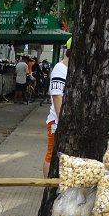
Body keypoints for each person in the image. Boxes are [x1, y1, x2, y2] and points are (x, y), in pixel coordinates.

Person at [44, 38, 71, 177]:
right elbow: (56, 96)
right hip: (56, 121)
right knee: (51, 155)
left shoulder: (69, 69)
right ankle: (47, 187)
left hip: (64, 121)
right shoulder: (60, 69)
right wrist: (62, 121)